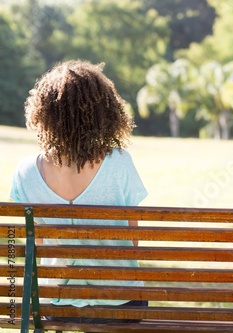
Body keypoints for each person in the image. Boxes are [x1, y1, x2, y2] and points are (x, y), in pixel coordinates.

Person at [9, 60, 148, 323]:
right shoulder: (119, 163)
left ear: (44, 115)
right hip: (119, 304)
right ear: (104, 112)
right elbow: (133, 243)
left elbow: (36, 246)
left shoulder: (25, 172)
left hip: (55, 304)